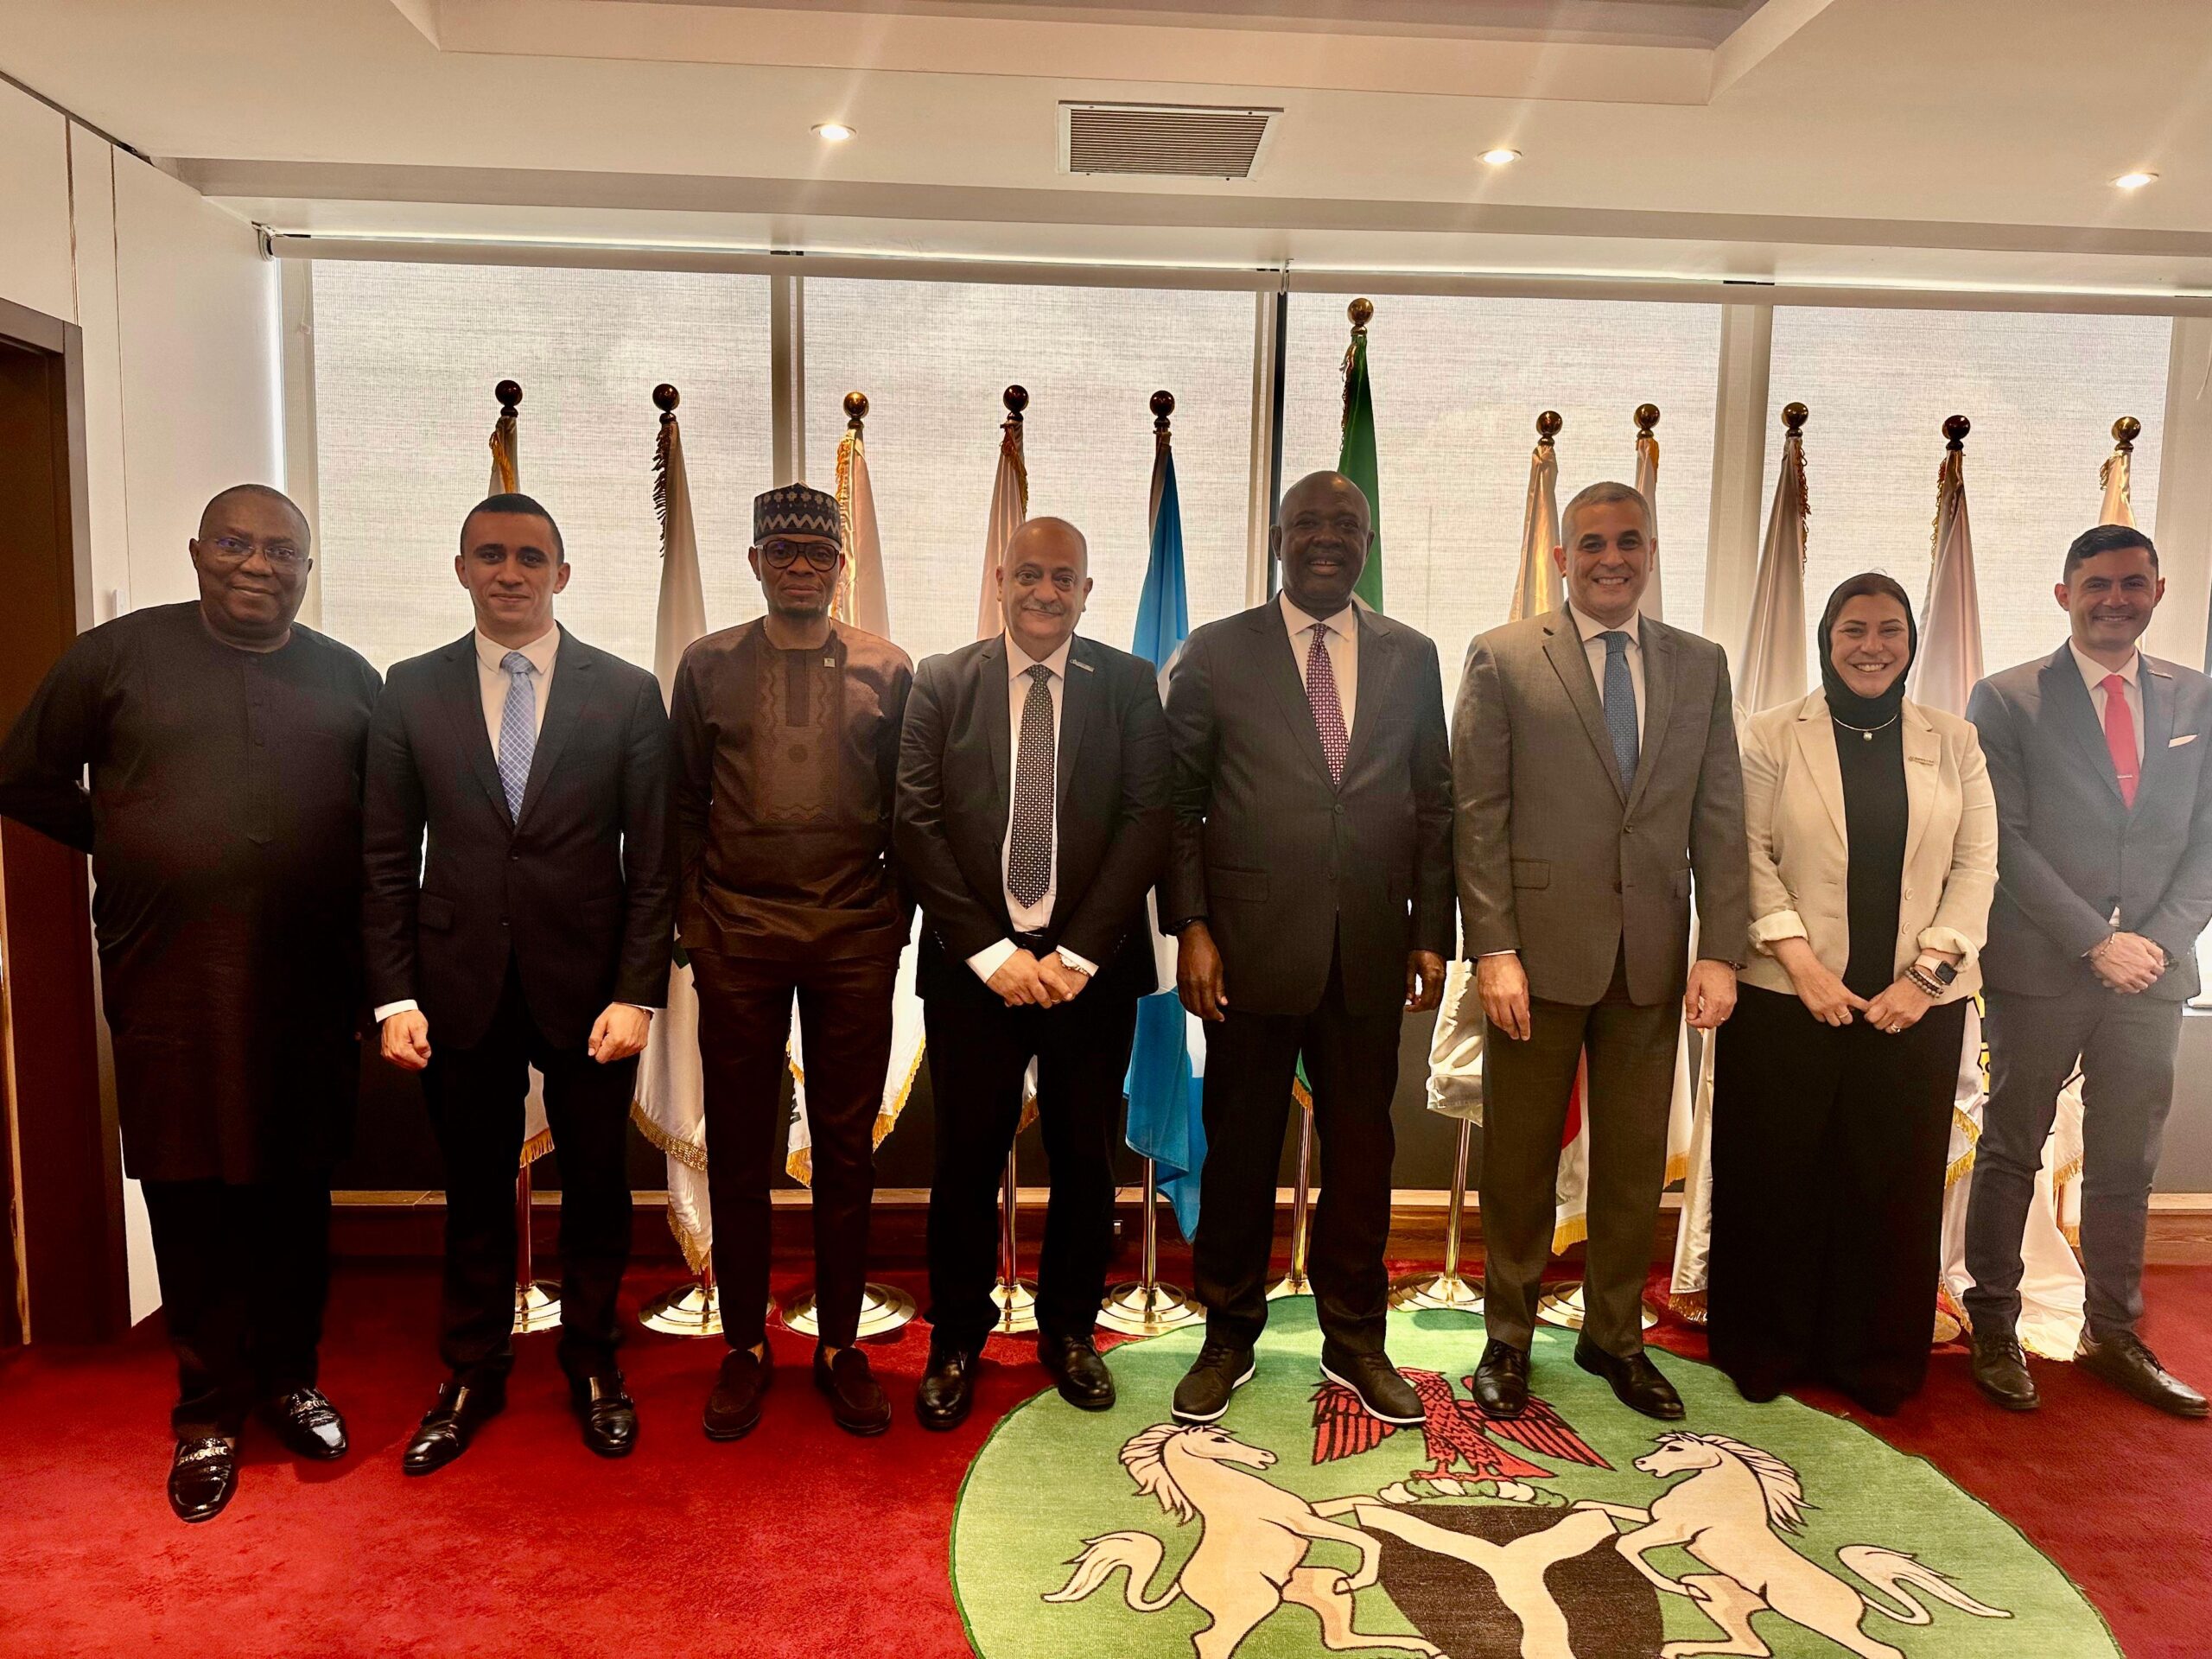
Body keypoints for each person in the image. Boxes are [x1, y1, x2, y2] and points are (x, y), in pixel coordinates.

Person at [0, 485, 379, 1522]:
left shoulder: (350, 679)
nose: (258, 565)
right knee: (188, 1191)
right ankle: (208, 1413)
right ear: (198, 552)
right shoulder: (114, 658)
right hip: (168, 978)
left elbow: (383, 826)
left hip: (310, 984)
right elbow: (22, 776)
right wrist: (124, 833)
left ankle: (292, 1380)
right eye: (235, 544)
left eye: (281, 551)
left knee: (297, 1192)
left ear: (308, 569)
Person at [364, 493, 671, 1472]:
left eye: (530, 557)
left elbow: (654, 862)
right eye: (490, 555)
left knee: (597, 1186)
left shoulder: (626, 693)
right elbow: (385, 857)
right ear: (461, 569)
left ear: (562, 574)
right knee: (473, 1189)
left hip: (591, 990)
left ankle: (594, 1361)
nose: (510, 572)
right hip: (456, 984)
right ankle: (472, 1370)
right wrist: (394, 995)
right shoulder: (409, 689)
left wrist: (638, 992)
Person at [1160, 469, 1452, 1428]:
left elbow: (1434, 799)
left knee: (1363, 1153)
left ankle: (1355, 1339)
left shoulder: (1411, 655)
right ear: (1278, 538)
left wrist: (1429, 930)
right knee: (1240, 1149)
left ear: (1367, 541)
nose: (1327, 538)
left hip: (1370, 947)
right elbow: (1180, 803)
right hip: (1245, 950)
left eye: (1347, 524)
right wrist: (1191, 925)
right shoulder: (1217, 650)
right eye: (1309, 523)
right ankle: (1228, 1333)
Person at [1457, 480, 1747, 1422]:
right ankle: (1506, 1337)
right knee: (1519, 1162)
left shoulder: (1699, 665)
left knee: (1631, 1164)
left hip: (1653, 960)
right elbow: (1478, 813)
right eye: (1591, 543)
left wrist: (1721, 949)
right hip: (1534, 961)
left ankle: (1613, 1336)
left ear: (1651, 552)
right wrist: (1493, 947)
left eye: (1628, 542)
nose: (1610, 559)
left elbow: (1720, 815)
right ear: (1561, 558)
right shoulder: (1504, 656)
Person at [896, 517, 1170, 1428]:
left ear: (1087, 591)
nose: (1045, 592)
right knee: (965, 1159)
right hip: (973, 968)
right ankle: (956, 1338)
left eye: (1063, 578)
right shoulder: (942, 681)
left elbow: (1147, 819)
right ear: (1001, 580)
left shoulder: (1128, 684)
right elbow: (915, 821)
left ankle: (1070, 1331)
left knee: (1085, 1159)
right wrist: (992, 953)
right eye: (1028, 575)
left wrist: (1077, 954)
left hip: (1091, 969)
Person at [1709, 573, 1995, 1414]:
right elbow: (1743, 853)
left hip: (1914, 1009)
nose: (1872, 647)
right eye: (1853, 630)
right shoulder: (1769, 735)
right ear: (1826, 641)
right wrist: (1801, 966)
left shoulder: (1954, 741)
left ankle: (1872, 1358)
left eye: (1889, 630)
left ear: (1910, 642)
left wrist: (1925, 977)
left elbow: (1977, 865)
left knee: (1889, 1186)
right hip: (1782, 997)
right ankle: (1766, 1348)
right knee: (1776, 1176)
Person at [671, 483, 913, 1440]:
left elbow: (909, 807)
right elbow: (681, 804)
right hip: (736, 935)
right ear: (755, 562)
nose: (801, 568)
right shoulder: (706, 665)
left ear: (841, 566)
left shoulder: (890, 669)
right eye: (783, 553)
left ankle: (840, 1345)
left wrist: (891, 922)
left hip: (854, 935)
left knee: (845, 1149)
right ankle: (743, 1344)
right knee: (738, 1144)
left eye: (818, 554)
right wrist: (695, 925)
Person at [1963, 524, 2212, 1418]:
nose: (2116, 599)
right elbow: (2003, 842)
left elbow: (2207, 842)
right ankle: (1994, 1325)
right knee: (2010, 1149)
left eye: (2132, 583)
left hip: (2152, 975)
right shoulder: (2005, 698)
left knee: (2124, 1162)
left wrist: (2155, 943)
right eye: (2097, 584)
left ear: (2157, 592)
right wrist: (2093, 941)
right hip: (2040, 964)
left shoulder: (2198, 698)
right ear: (2065, 594)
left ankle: (2111, 1332)